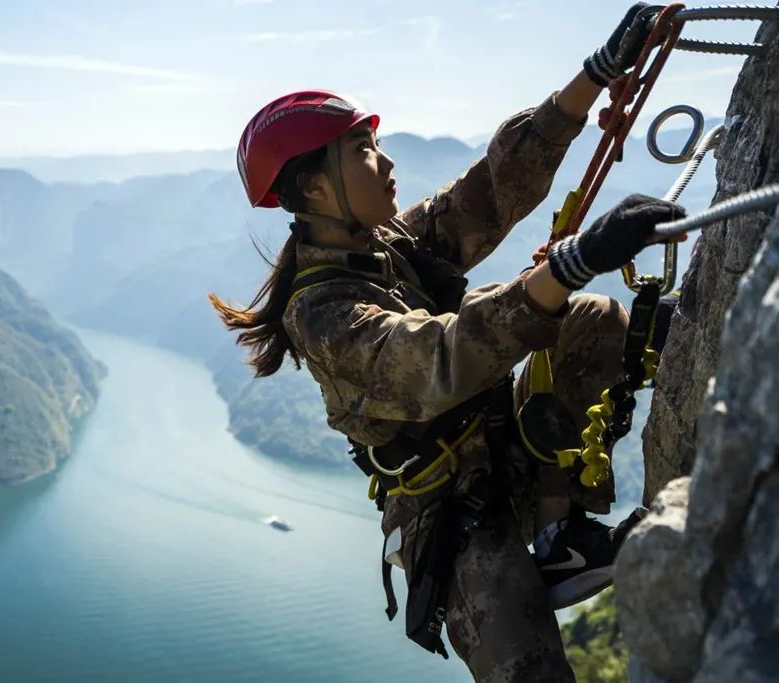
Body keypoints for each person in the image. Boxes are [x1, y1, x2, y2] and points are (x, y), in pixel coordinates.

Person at [210, 4, 685, 682]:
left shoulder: (393, 247)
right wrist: (573, 259)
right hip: (454, 521)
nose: (386, 158)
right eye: (361, 151)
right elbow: (439, 357)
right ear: (315, 187)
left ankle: (560, 536)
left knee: (592, 318)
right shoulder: (320, 312)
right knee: (533, 671)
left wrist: (595, 76)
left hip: (505, 449)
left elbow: (491, 190)